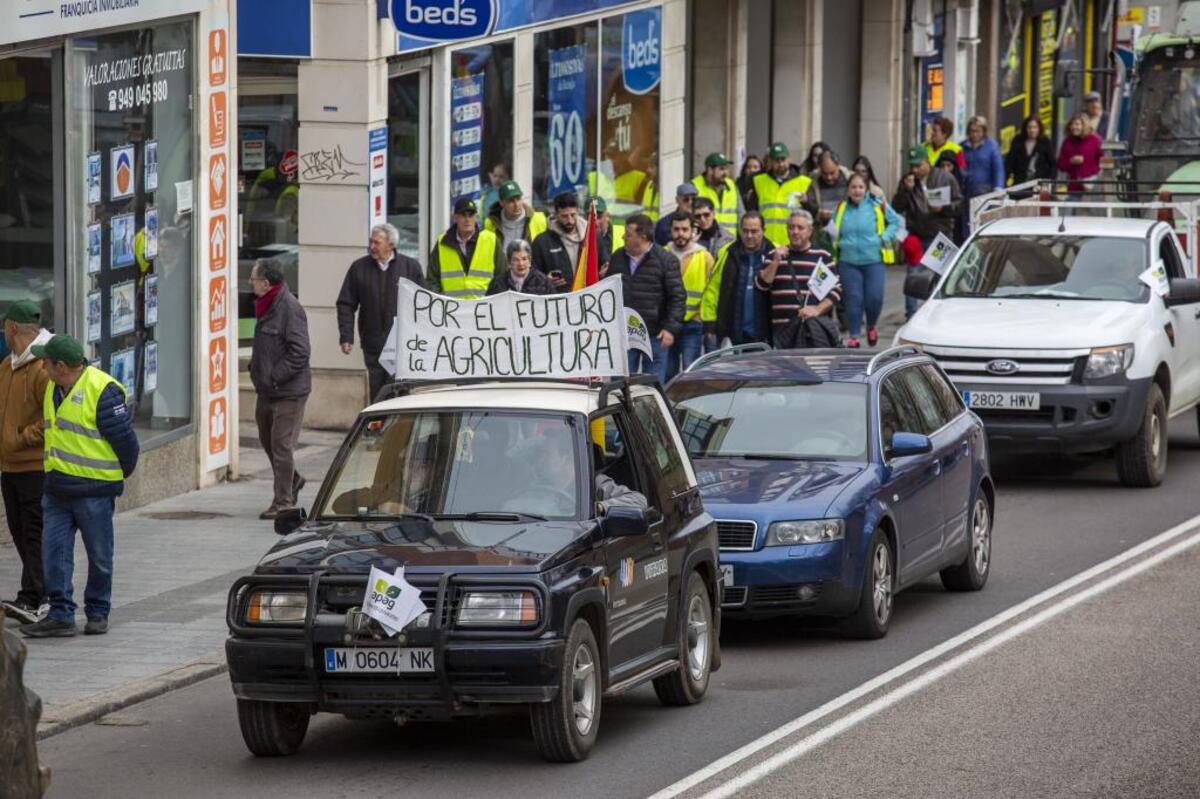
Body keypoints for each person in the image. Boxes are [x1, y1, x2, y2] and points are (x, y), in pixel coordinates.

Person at [19, 334, 138, 638]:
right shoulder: (53, 389)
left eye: (46, 361)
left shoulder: (103, 390)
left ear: (60, 366)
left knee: (99, 555)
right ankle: (61, 614)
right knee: (54, 553)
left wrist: (114, 477)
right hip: (57, 489)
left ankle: (98, 611)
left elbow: (127, 444)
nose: (41, 366)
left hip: (94, 491)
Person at [0, 301, 51, 625]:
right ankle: (32, 594)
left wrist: (19, 439)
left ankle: (39, 597)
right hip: (10, 466)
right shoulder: (8, 365)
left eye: (4, 327)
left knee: (34, 533)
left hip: (34, 467)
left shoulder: (43, 368)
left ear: (12, 328)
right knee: (20, 533)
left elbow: (51, 420)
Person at [249, 259, 312, 520]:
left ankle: (283, 502)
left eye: (253, 278)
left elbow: (300, 352)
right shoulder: (265, 305)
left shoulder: (289, 307)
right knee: (267, 441)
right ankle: (293, 480)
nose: (250, 282)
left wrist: (275, 377)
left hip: (289, 390)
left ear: (266, 283)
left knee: (281, 444)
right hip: (266, 389)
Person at [336, 223, 426, 403]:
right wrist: (346, 336)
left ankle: (399, 429)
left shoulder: (410, 267)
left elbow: (423, 304)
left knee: (400, 391)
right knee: (377, 391)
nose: (372, 247)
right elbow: (345, 303)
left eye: (377, 243)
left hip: (403, 343)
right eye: (371, 242)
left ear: (391, 245)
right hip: (373, 343)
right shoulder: (359, 268)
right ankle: (377, 429)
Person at [607, 214, 685, 383]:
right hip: (625, 334)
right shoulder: (618, 257)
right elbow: (609, 292)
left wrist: (670, 329)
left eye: (628, 234)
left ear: (642, 237)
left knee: (651, 385)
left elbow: (677, 297)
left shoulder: (666, 260)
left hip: (654, 335)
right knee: (621, 385)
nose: (623, 237)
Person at [832, 174, 902, 347]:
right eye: (853, 187)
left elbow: (895, 222)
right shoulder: (841, 207)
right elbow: (832, 230)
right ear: (848, 190)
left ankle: (871, 325)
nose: (857, 191)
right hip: (848, 262)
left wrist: (883, 237)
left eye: (860, 187)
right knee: (853, 299)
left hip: (873, 261)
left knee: (874, 298)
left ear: (866, 189)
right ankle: (854, 335)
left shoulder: (877, 205)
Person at [892, 145, 961, 318]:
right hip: (917, 235)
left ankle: (940, 313)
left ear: (927, 162)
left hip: (940, 234)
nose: (915, 170)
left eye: (918, 166)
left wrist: (943, 208)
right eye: (912, 166)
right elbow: (897, 207)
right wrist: (906, 191)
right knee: (913, 275)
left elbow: (959, 204)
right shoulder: (908, 181)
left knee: (941, 277)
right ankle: (911, 315)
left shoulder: (945, 178)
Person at [756, 210, 839, 344]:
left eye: (800, 228)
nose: (795, 231)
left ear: (810, 231)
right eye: (791, 227)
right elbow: (761, 285)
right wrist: (776, 261)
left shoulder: (822, 256)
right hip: (782, 332)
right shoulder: (773, 255)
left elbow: (836, 290)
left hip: (812, 332)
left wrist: (817, 309)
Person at [701, 211, 776, 348]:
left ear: (763, 231)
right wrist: (710, 324)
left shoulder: (774, 253)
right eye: (745, 231)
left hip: (766, 334)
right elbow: (713, 289)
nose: (749, 236)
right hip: (733, 334)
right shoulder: (727, 252)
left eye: (754, 231)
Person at [664, 211, 715, 378]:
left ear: (692, 230)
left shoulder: (704, 257)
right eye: (676, 229)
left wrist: (701, 317)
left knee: (690, 373)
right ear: (670, 230)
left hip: (692, 324)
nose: (680, 234)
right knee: (667, 373)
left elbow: (711, 290)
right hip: (667, 324)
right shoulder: (662, 253)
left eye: (684, 229)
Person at [428, 198, 506, 300]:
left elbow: (502, 276)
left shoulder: (491, 240)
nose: (468, 219)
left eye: (471, 215)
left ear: (475, 217)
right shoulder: (442, 242)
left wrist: (492, 302)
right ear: (455, 218)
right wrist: (440, 303)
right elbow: (432, 279)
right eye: (463, 215)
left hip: (483, 309)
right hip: (452, 310)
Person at [747, 142, 817, 247]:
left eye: (783, 159)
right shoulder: (759, 181)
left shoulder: (804, 182)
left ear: (789, 159)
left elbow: (814, 212)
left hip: (792, 242)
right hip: (765, 243)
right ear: (770, 161)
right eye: (776, 161)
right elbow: (752, 211)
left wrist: (807, 202)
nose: (780, 164)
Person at [531, 192, 587, 292]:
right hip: (557, 300)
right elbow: (532, 275)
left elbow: (603, 264)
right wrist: (545, 281)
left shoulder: (591, 236)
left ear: (578, 212)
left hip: (587, 297)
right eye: (564, 216)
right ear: (556, 215)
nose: (570, 221)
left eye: (573, 215)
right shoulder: (542, 242)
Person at [483, 180, 548, 250]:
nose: (516, 204)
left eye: (518, 199)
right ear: (501, 203)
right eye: (511, 201)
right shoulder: (490, 223)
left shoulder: (539, 219)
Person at [690, 153, 741, 238]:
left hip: (729, 241)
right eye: (721, 169)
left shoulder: (732, 185)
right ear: (710, 170)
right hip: (704, 240)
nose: (726, 173)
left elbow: (741, 214)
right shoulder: (695, 186)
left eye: (727, 169)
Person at [1057, 113, 1103, 203]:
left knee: (1089, 214)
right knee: (1074, 214)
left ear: (1084, 125)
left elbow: (1103, 160)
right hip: (1073, 188)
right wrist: (1071, 161)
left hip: (1092, 187)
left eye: (1077, 124)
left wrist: (1094, 175)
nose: (1074, 127)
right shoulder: (1067, 142)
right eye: (1072, 124)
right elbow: (1060, 165)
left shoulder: (1095, 140)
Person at [486, 239, 554, 296]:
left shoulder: (543, 282)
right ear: (509, 263)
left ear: (529, 261)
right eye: (516, 260)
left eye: (524, 259)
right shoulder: (497, 284)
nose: (521, 264)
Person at [961, 116, 1005, 200]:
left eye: (978, 131)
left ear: (984, 131)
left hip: (985, 190)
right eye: (972, 131)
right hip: (966, 191)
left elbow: (998, 169)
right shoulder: (962, 147)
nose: (975, 134)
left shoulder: (991, 145)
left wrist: (998, 187)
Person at [1005, 115, 1056, 186]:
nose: (1032, 130)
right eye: (1029, 127)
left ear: (1039, 128)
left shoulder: (1045, 142)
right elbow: (1009, 162)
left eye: (1035, 127)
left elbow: (1052, 164)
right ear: (1025, 128)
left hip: (1040, 184)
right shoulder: (1018, 141)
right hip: (1020, 183)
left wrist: (1050, 181)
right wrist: (1004, 182)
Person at [813, 151, 850, 227]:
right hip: (823, 229)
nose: (829, 177)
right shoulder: (813, 182)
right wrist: (818, 215)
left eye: (832, 173)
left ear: (838, 166)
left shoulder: (850, 180)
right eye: (825, 173)